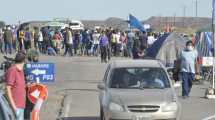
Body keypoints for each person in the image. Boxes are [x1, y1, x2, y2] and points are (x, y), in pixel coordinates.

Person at [5, 52, 26, 120]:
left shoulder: (21, 71)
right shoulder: (13, 70)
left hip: (21, 104)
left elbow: (20, 85)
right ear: (23, 61)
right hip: (15, 106)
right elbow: (8, 89)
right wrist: (14, 107)